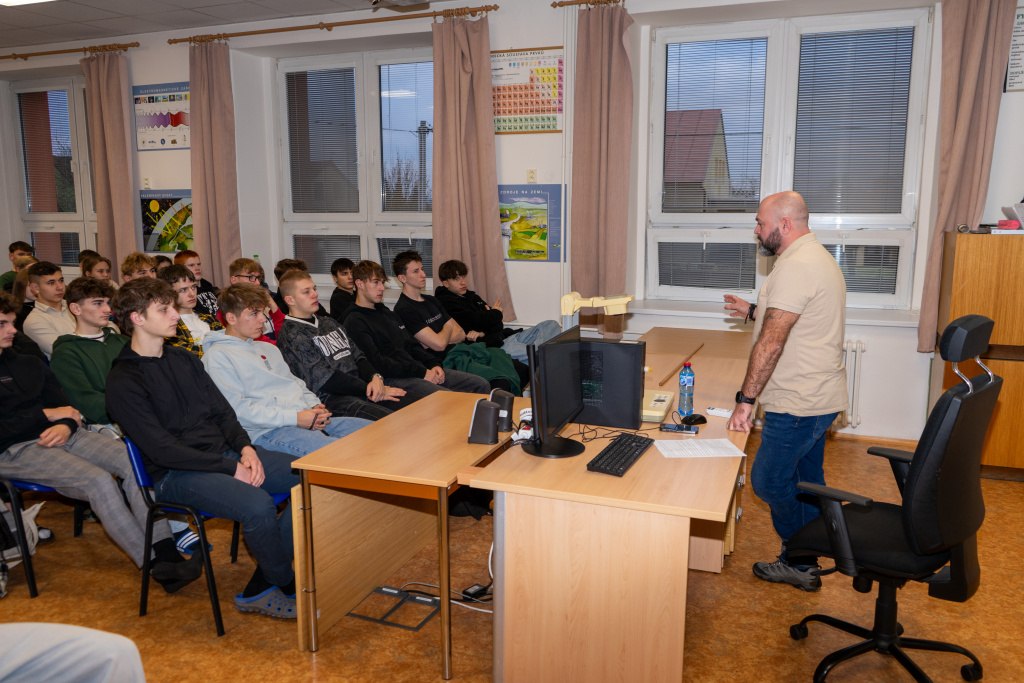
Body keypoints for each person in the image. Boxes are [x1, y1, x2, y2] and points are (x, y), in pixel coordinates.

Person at [106, 278, 300, 618]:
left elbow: (223, 412)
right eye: (164, 310)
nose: (175, 315)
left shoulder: (183, 359)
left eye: (172, 307)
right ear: (136, 318)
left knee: (307, 478)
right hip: (174, 474)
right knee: (257, 506)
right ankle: (284, 583)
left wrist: (246, 449)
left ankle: (265, 580)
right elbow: (163, 450)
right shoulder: (124, 380)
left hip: (222, 456)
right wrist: (230, 467)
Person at [0, 291, 200, 592]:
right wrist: (46, 415)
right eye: (2, 324)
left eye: (12, 323)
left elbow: (66, 405)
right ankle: (153, 564)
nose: (13, 330)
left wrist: (66, 423)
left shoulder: (26, 362)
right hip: (14, 449)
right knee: (98, 481)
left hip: (67, 433)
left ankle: (165, 549)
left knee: (136, 462)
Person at [724, 190, 847, 592]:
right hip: (818, 395)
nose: (757, 231)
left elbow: (773, 341)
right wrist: (753, 311)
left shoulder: (797, 267)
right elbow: (796, 318)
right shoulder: (812, 258)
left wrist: (745, 400)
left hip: (798, 402)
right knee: (807, 481)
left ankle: (800, 557)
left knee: (770, 481)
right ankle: (810, 558)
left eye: (761, 224)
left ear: (785, 224)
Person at [202, 283, 371, 455]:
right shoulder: (218, 356)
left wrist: (314, 405)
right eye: (254, 314)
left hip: (302, 417)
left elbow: (296, 383)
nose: (263, 319)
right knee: (343, 453)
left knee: (372, 433)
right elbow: (238, 411)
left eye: (263, 312)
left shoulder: (268, 349)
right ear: (231, 318)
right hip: (268, 430)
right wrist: (295, 418)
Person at [275, 270, 427, 420]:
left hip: (361, 387)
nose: (314, 294)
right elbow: (327, 379)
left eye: (314, 289)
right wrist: (368, 388)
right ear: (290, 300)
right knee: (393, 420)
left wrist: (375, 377)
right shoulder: (292, 335)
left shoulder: (328, 322)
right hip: (332, 398)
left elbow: (357, 355)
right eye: (306, 292)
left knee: (418, 405)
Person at [344, 260, 490, 395]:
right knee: (446, 397)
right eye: (376, 283)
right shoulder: (354, 321)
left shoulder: (387, 313)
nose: (382, 288)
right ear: (360, 284)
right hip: (393, 378)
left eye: (382, 282)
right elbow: (379, 363)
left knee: (479, 384)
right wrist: (422, 372)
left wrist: (433, 364)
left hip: (417, 369)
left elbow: (411, 344)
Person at [392, 251, 521, 393]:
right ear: (402, 278)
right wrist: (447, 326)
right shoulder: (404, 309)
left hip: (463, 349)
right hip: (445, 360)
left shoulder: (431, 300)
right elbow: (439, 345)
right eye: (416, 271)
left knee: (518, 369)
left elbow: (460, 333)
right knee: (501, 381)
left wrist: (439, 336)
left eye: (422, 269)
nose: (423, 274)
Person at [434, 258, 562, 363]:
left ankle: (540, 355)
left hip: (505, 336)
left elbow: (496, 323)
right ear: (446, 283)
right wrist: (495, 313)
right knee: (537, 353)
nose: (463, 282)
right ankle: (541, 356)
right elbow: (475, 322)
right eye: (456, 279)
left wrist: (484, 329)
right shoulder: (445, 303)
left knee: (551, 325)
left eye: (463, 277)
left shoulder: (472, 297)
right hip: (495, 346)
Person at [49, 277, 127, 429]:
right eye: (98, 303)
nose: (107, 309)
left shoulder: (122, 341)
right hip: (107, 423)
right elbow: (86, 401)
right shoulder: (66, 353)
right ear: (76, 309)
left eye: (108, 303)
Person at [158, 264, 223, 358]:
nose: (192, 294)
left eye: (193, 287)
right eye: (183, 290)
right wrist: (221, 350)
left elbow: (228, 342)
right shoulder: (170, 325)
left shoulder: (209, 318)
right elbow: (188, 355)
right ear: (168, 293)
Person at [21, 261, 76, 359]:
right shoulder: (34, 321)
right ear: (35, 288)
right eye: (51, 283)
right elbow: (66, 352)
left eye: (61, 280)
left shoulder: (75, 305)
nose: (60, 287)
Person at [173, 249, 219, 316]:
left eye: (199, 264)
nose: (197, 268)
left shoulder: (207, 284)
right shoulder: (186, 294)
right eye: (191, 265)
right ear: (181, 268)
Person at [328, 257, 356, 323]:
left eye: (352, 273)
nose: (350, 277)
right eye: (344, 274)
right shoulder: (337, 298)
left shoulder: (356, 293)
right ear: (335, 278)